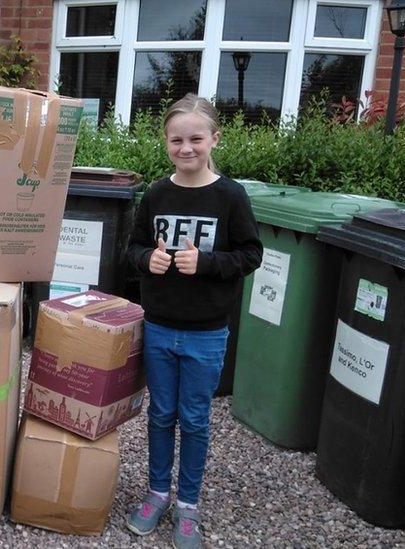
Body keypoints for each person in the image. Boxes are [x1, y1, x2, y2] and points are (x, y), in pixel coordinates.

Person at [124, 94, 262, 548]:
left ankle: (188, 506)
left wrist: (205, 263)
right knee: (161, 414)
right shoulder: (156, 195)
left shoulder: (231, 196)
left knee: (196, 419)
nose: (186, 148)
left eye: (196, 139)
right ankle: (158, 492)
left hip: (207, 331)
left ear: (214, 140)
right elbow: (132, 248)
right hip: (160, 326)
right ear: (165, 141)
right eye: (176, 139)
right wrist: (148, 260)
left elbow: (250, 254)